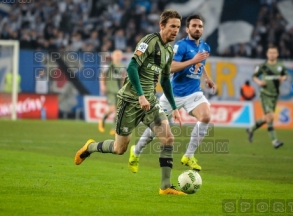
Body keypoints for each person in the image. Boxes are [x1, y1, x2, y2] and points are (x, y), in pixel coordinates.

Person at [75, 10, 186, 195]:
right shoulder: (149, 41)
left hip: (150, 101)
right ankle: (90, 147)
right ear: (162, 26)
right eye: (172, 26)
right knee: (119, 149)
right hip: (130, 101)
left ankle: (165, 186)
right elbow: (132, 67)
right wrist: (140, 95)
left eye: (178, 27)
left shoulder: (168, 50)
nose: (176, 30)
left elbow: (165, 80)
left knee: (168, 138)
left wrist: (174, 107)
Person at [128, 14, 215, 173]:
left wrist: (207, 78)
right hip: (173, 95)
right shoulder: (180, 46)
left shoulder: (205, 47)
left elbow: (201, 64)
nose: (197, 28)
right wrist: (192, 60)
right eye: (194, 26)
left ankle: (188, 156)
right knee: (155, 131)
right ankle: (136, 151)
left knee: (206, 117)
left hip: (194, 93)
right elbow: (171, 68)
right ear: (187, 29)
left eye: (200, 26)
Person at [246, 45, 287, 148]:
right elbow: (254, 76)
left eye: (274, 53)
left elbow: (285, 75)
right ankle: (274, 141)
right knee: (271, 117)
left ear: (277, 54)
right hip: (265, 94)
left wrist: (283, 78)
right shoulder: (262, 66)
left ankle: (251, 129)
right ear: (267, 54)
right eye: (270, 53)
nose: (272, 54)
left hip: (275, 95)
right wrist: (259, 82)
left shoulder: (280, 66)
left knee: (266, 118)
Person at [98, 50, 126, 135]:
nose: (118, 57)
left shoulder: (122, 66)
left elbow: (123, 78)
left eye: (119, 55)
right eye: (116, 55)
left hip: (119, 91)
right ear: (113, 56)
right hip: (110, 90)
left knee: (118, 110)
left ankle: (114, 128)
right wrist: (102, 85)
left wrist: (124, 88)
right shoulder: (108, 65)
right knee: (112, 108)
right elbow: (102, 76)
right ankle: (102, 119)